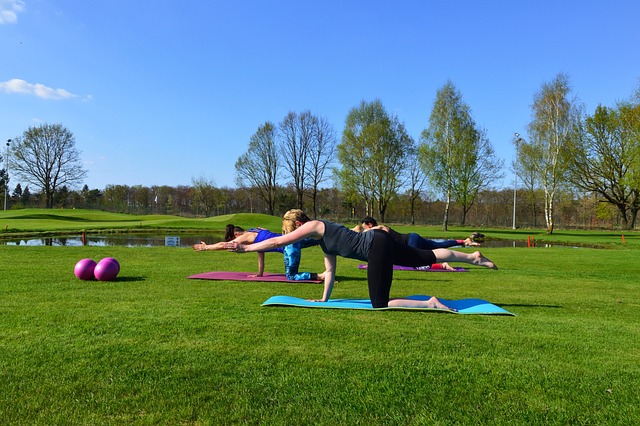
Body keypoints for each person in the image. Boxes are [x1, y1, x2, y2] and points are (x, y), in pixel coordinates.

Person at [226, 210, 498, 311]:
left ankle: (431, 303)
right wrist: (324, 299)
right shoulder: (325, 238)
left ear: (298, 223)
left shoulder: (315, 226)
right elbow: (329, 271)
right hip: (378, 242)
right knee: (424, 258)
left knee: (379, 303)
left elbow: (275, 242)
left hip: (375, 247)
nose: (292, 235)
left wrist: (245, 250)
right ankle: (474, 256)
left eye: (292, 229)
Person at [193, 225, 322, 281]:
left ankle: (322, 276)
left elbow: (224, 245)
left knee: (292, 276)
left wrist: (206, 247)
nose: (235, 240)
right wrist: (259, 274)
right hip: (293, 238)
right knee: (320, 239)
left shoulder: (247, 236)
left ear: (237, 234)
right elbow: (261, 254)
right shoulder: (257, 232)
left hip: (289, 246)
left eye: (234, 237)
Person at [359, 216, 481, 249]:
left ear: (370, 225)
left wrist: (366, 232)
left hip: (411, 240)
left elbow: (381, 229)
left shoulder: (380, 228)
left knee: (416, 261)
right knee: (437, 245)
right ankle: (464, 242)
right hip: (413, 237)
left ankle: (442, 264)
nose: (366, 230)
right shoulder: (375, 233)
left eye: (366, 228)